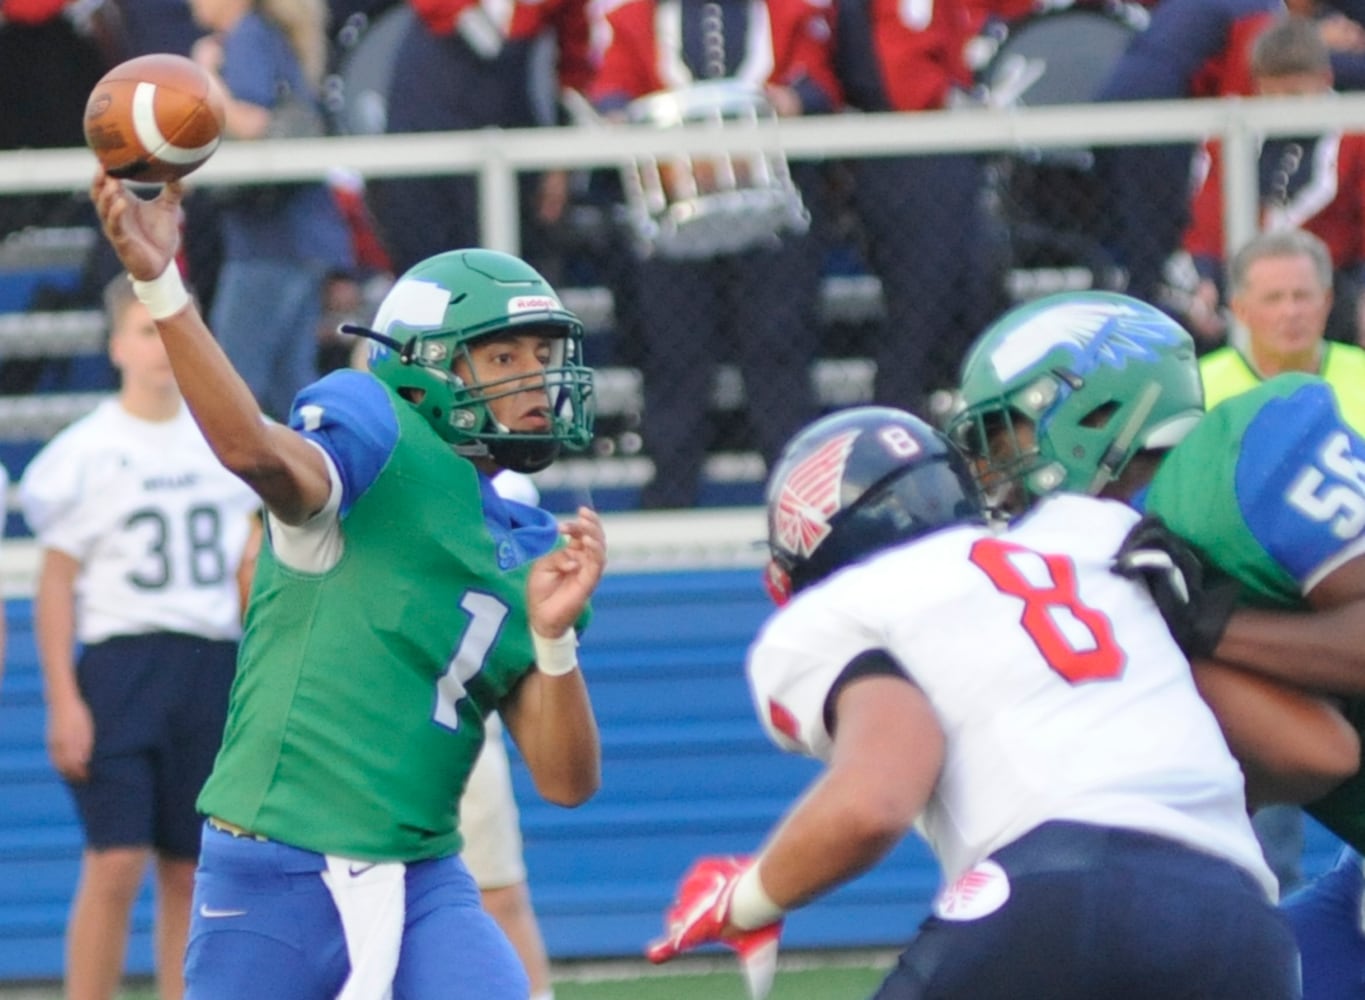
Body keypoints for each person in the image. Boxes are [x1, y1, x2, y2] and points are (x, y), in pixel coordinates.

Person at [90, 164, 604, 999]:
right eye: (502, 355)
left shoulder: (533, 542)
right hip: (272, 873)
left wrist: (553, 641)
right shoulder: (375, 431)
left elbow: (566, 782)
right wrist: (160, 283)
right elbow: (256, 452)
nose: (535, 383)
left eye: (542, 356)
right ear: (424, 369)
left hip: (424, 882)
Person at [646, 405, 1299, 999]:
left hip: (1056, 895)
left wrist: (749, 897)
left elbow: (875, 799)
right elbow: (1313, 753)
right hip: (1244, 927)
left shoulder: (835, 611)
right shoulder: (1093, 534)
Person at [948, 289, 1365, 998]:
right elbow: (1282, 770)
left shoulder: (1241, 454)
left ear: (1093, 411)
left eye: (1006, 435)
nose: (995, 471)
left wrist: (1212, 623)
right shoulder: (1100, 572)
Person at [17, 274, 262, 1000]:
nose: (159, 350)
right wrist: (63, 697)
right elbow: (56, 582)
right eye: (145, 332)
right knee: (115, 860)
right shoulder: (82, 452)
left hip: (210, 661)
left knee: (190, 867)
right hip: (122, 666)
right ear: (116, 344)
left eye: (170, 332)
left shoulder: (224, 438)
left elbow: (250, 568)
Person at [587, 0, 841, 508]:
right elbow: (611, 86)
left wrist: (795, 98)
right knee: (676, 363)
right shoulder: (636, 19)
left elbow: (821, 84)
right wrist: (617, 111)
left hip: (769, 219)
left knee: (779, 355)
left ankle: (797, 502)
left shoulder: (787, 13)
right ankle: (671, 501)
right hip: (678, 221)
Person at [831, 0, 999, 422]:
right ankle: (896, 444)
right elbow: (908, 83)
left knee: (960, 309)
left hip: (934, 155)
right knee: (921, 316)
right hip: (915, 158)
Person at [188, 0, 356, 421]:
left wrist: (205, 77)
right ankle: (316, 476)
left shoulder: (247, 35)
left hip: (271, 240)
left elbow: (253, 123)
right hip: (295, 237)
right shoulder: (266, 34)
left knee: (231, 385)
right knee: (290, 385)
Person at [366, 0, 590, 276]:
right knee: (427, 265)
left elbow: (574, 68)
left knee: (514, 268)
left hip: (512, 130)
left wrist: (560, 163)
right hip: (426, 123)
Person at [1182, 17, 1365, 347]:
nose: (1281, 108)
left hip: (1331, 285)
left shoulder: (1354, 136)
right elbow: (1209, 213)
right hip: (1244, 277)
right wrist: (1206, 277)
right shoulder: (1233, 133)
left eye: (1294, 95)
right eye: (1271, 94)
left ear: (1325, 79)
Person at [1202, 229, 1365, 431]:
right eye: (1273, 298)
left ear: (1327, 301)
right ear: (1240, 310)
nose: (1290, 312)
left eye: (1302, 296)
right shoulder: (1201, 391)